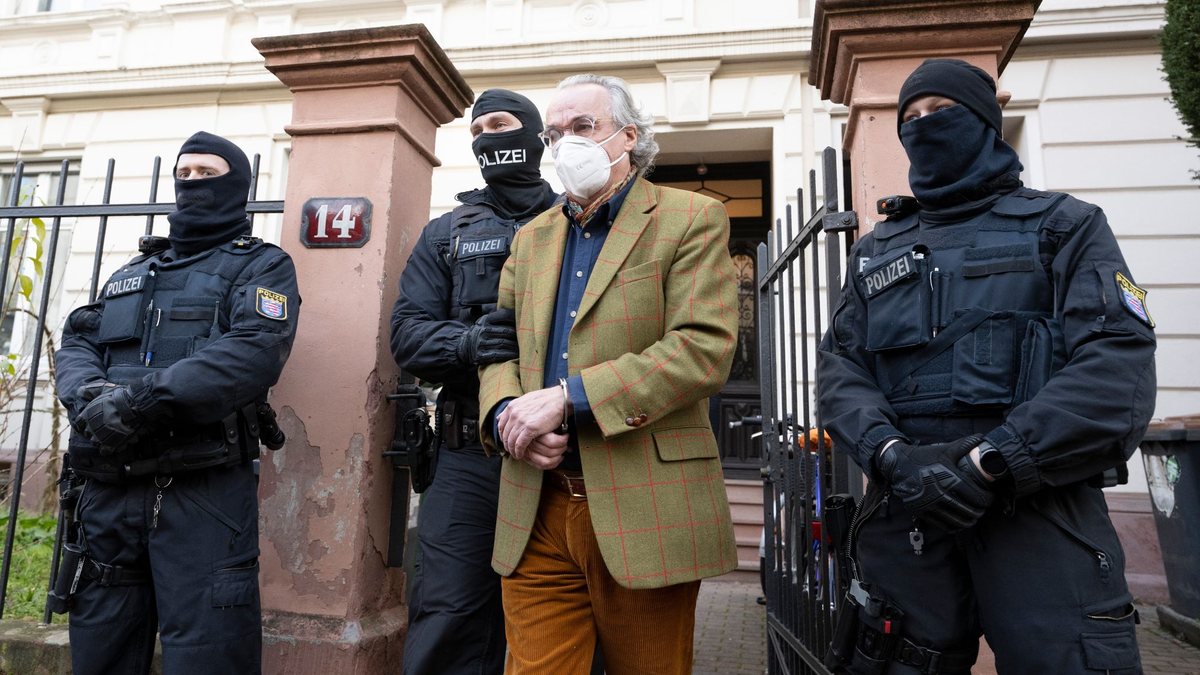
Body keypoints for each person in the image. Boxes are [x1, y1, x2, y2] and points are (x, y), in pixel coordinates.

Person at [818, 58, 1156, 675]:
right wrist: (892, 456)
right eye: (910, 118)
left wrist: (992, 462)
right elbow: (841, 372)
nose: (924, 126)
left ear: (984, 121)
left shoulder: (1068, 225)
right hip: (908, 512)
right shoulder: (876, 250)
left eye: (941, 111)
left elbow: (1116, 370)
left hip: (1038, 511)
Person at [478, 74, 740, 675]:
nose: (564, 142)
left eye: (582, 127)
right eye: (553, 133)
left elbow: (704, 347)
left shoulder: (691, 217)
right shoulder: (530, 238)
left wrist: (567, 399)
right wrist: (506, 413)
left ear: (629, 137)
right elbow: (500, 346)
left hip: (643, 501)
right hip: (537, 505)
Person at [54, 131, 300, 675]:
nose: (192, 184)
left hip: (201, 494)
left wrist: (139, 403)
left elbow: (252, 352)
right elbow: (77, 343)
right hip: (109, 489)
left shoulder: (261, 267)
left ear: (237, 184)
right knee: (101, 650)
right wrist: (89, 398)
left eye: (207, 174)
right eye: (183, 175)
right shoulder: (130, 275)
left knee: (210, 654)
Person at [390, 89, 560, 675]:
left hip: (565, 453)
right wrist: (465, 345)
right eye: (480, 127)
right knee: (448, 616)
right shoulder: (448, 233)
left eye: (503, 123)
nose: (490, 135)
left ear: (537, 136)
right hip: (468, 455)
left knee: (561, 619)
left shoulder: (581, 220)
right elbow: (406, 335)